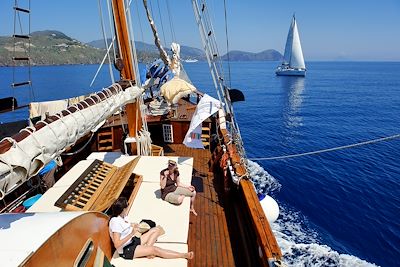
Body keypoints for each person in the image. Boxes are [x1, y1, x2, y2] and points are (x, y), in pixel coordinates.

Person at [109, 197, 194, 260]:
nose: (128, 206)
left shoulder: (123, 216)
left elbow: (125, 225)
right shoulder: (115, 223)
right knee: (155, 250)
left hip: (132, 241)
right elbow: (117, 244)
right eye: (127, 206)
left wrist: (133, 225)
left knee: (156, 230)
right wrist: (131, 234)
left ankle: (147, 251)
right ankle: (183, 255)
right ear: (123, 209)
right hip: (127, 250)